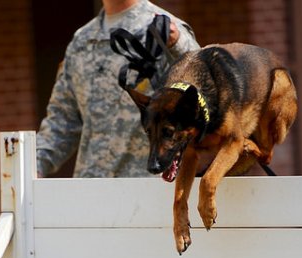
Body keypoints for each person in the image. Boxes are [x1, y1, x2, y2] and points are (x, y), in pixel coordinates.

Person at [36, 0, 200, 178]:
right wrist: (29, 169)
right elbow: (61, 122)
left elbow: (202, 93)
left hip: (149, 189)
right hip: (93, 190)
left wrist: (177, 45)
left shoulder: (166, 30)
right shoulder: (81, 41)